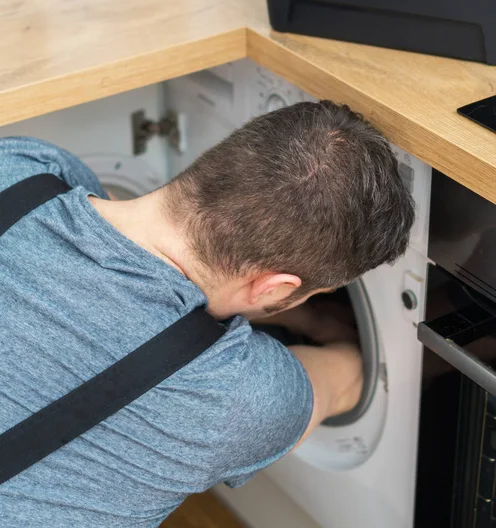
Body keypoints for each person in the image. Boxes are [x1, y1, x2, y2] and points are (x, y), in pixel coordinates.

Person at [0, 101, 414, 527]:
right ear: (276, 288)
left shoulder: (22, 166)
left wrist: (300, 318)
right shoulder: (236, 397)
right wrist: (327, 327)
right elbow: (349, 378)